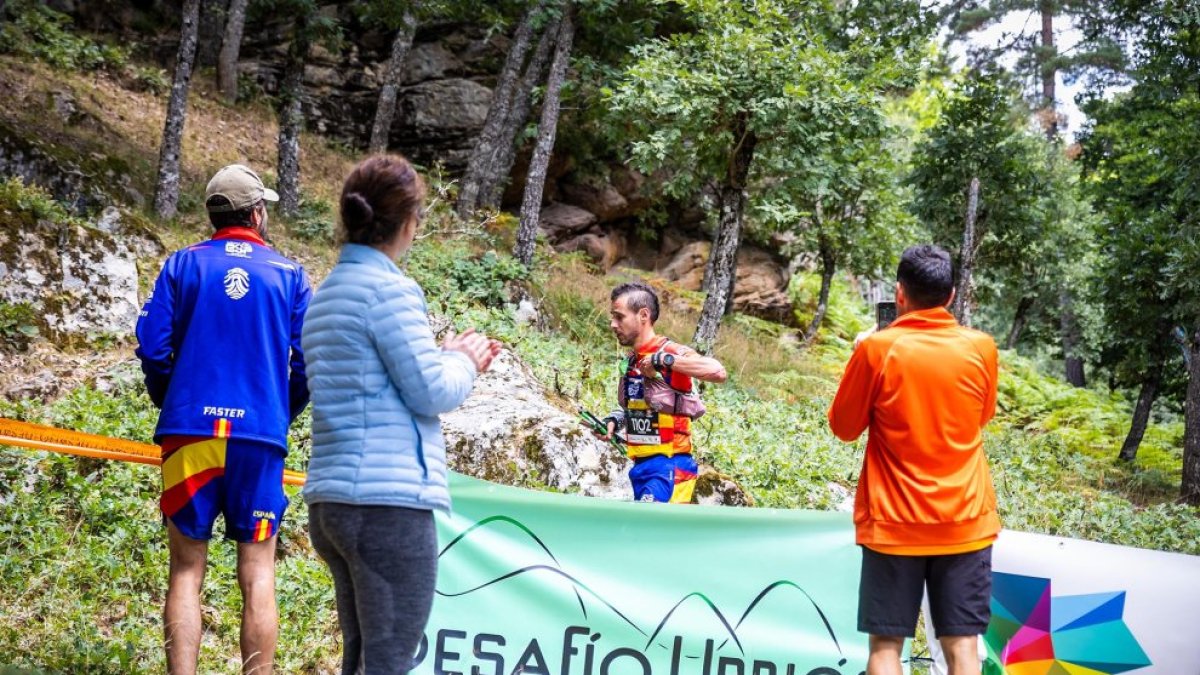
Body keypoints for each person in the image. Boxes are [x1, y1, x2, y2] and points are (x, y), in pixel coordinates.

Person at [301, 154, 500, 674]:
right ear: (409, 222)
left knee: (363, 659)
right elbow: (431, 390)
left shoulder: (326, 295)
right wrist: (463, 358)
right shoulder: (390, 289)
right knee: (389, 662)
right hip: (387, 505)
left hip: (332, 501)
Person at [135, 164, 311, 675]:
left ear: (214, 215)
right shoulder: (289, 274)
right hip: (258, 436)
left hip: (190, 434)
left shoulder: (181, 265)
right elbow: (311, 360)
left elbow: (153, 347)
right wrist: (282, 411)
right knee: (257, 572)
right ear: (257, 213)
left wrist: (174, 400)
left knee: (186, 569)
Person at [827, 244, 1001, 675]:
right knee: (963, 647)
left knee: (886, 646)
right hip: (964, 521)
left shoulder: (877, 349)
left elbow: (844, 427)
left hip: (893, 523)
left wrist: (862, 353)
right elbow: (981, 419)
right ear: (952, 294)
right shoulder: (982, 348)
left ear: (899, 294)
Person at [597, 281, 727, 503]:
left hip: (671, 468)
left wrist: (664, 360)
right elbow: (640, 407)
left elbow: (717, 371)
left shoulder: (669, 352)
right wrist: (616, 420)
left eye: (619, 317)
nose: (612, 324)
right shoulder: (630, 361)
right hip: (640, 469)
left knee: (648, 533)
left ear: (643, 315)